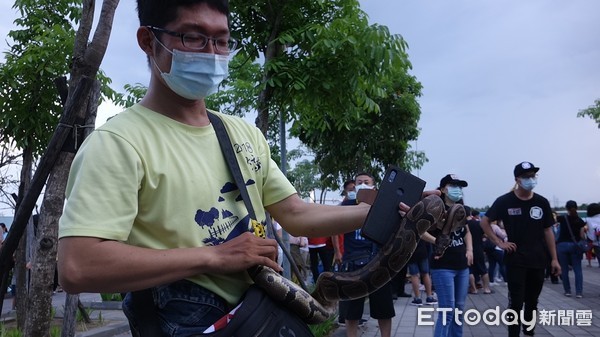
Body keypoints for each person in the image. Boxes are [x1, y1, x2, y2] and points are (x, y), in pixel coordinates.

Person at [57, 1, 376, 335]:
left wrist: (379, 212)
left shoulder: (243, 134)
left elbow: (296, 213)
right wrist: (215, 257)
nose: (211, 52)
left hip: (257, 317)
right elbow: (78, 266)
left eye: (221, 40)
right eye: (193, 37)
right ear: (148, 41)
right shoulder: (117, 143)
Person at [480, 161, 560, 337]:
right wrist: (499, 242)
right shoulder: (505, 201)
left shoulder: (542, 202)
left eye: (533, 176)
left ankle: (529, 331)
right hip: (516, 259)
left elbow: (548, 231)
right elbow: (484, 221)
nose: (530, 179)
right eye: (526, 176)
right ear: (517, 179)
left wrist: (554, 258)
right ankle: (513, 333)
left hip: (538, 260)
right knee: (515, 302)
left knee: (532, 301)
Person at [339, 172, 394, 337]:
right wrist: (337, 251)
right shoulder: (346, 205)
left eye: (366, 181)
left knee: (384, 308)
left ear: (373, 186)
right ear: (354, 186)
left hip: (378, 261)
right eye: (359, 182)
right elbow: (335, 231)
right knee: (352, 309)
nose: (362, 184)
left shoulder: (382, 206)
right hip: (353, 261)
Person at [421, 174, 472, 337]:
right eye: (453, 185)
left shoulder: (462, 209)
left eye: (459, 186)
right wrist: (438, 242)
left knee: (459, 310)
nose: (457, 189)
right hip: (442, 266)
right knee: (447, 311)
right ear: (443, 189)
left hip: (462, 266)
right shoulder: (434, 208)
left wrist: (469, 250)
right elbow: (420, 231)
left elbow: (466, 232)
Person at [556, 200, 586, 298]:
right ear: (577, 208)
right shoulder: (581, 221)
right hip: (575, 246)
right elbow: (582, 236)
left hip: (562, 245)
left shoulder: (562, 218)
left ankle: (567, 291)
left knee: (564, 269)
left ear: (566, 208)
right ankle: (579, 292)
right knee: (577, 269)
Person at [467, 209, 492, 294]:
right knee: (483, 269)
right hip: (479, 249)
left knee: (470, 270)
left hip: (467, 250)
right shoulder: (478, 224)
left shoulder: (463, 225)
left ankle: (473, 289)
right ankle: (486, 289)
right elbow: (485, 235)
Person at [406, 239, 437, 306]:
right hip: (422, 249)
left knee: (414, 275)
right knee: (425, 274)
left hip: (411, 250)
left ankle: (417, 298)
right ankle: (429, 297)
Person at [585, 203, 600, 267]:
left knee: (589, 251)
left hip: (590, 238)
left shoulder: (587, 219)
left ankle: (589, 263)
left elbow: (585, 228)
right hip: (598, 238)